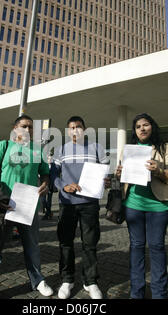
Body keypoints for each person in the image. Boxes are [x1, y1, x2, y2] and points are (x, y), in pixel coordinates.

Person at [0, 114, 53, 299]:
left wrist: (45, 184)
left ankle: (37, 281)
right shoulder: (3, 146)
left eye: (30, 127)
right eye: (23, 126)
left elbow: (45, 174)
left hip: (28, 206)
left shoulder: (38, 150)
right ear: (15, 129)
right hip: (5, 205)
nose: (27, 130)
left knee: (32, 246)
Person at [115, 113, 168, 299]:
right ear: (134, 131)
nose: (142, 128)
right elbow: (122, 177)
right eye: (138, 126)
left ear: (152, 126)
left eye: (145, 125)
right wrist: (119, 173)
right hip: (133, 204)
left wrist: (158, 171)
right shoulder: (129, 149)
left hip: (158, 207)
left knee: (157, 248)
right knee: (136, 247)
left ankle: (159, 293)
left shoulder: (164, 147)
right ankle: (137, 293)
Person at [50, 116, 109, 299]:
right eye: (71, 127)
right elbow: (53, 175)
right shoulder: (60, 150)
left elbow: (106, 171)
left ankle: (90, 281)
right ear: (68, 131)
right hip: (67, 203)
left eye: (78, 127)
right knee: (66, 243)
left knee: (89, 244)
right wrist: (63, 186)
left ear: (84, 129)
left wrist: (105, 180)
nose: (75, 130)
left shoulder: (97, 148)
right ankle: (67, 280)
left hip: (89, 204)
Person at [41, 154, 54, 220]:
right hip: (42, 182)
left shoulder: (52, 161)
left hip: (50, 182)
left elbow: (53, 173)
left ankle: (47, 214)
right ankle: (49, 212)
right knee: (42, 199)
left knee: (49, 199)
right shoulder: (42, 158)